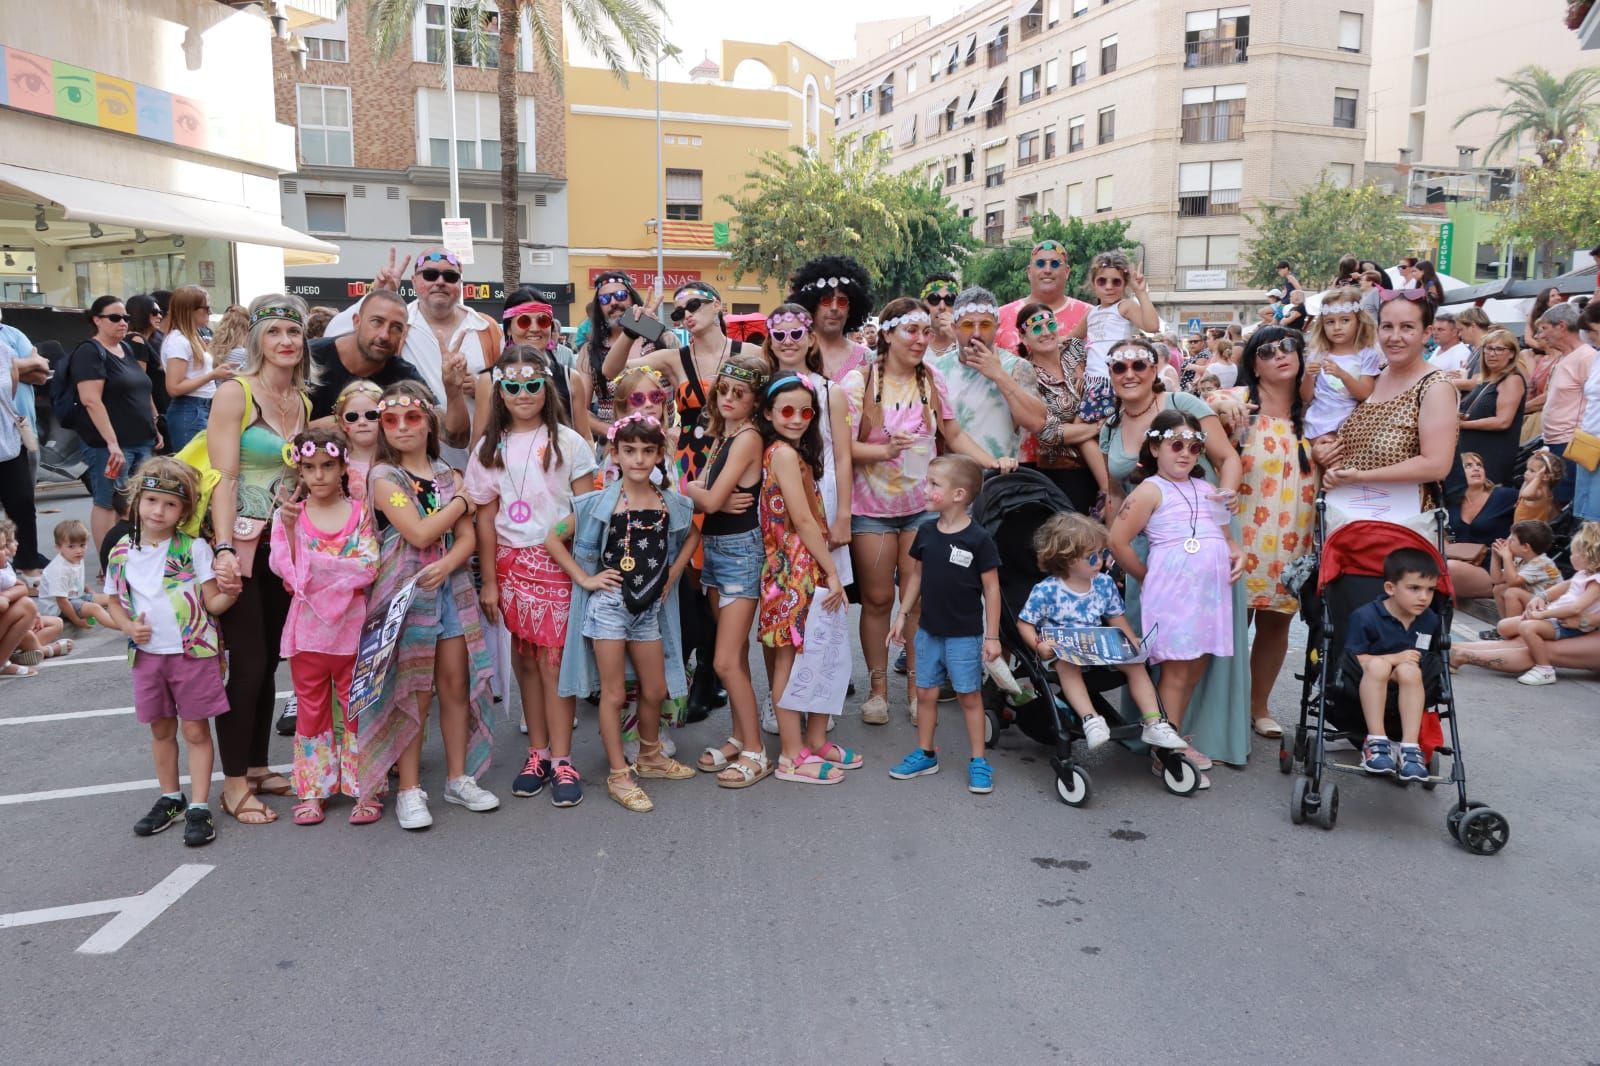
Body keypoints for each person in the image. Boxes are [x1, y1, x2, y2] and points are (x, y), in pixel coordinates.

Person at [843, 298, 1017, 725]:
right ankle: (878, 690)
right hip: (872, 509)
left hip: (923, 508)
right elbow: (843, 447)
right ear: (887, 334)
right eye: (911, 331)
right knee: (879, 599)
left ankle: (919, 692)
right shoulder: (858, 381)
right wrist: (883, 450)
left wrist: (990, 461)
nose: (922, 339)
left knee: (919, 601)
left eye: (925, 331)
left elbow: (953, 431)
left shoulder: (931, 378)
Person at [1098, 337, 1248, 773]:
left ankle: (1179, 735)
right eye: (1119, 366)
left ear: (1154, 367)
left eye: (1139, 364)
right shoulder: (1132, 458)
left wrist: (1233, 542)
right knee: (1173, 667)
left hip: (1206, 579)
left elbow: (1226, 471)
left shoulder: (1184, 411)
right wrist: (1142, 574)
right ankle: (1167, 744)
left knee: (1197, 662)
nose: (1130, 373)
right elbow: (1115, 510)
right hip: (1162, 566)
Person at [360, 382, 499, 829]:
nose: (402, 427)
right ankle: (409, 788)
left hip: (450, 590)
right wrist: (460, 500)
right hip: (405, 594)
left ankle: (458, 778)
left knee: (455, 685)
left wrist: (450, 563)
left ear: (428, 423)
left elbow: (468, 537)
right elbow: (419, 533)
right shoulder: (384, 477)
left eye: (412, 418)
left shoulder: (446, 471)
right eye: (391, 420)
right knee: (414, 692)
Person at [606, 280, 748, 717]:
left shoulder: (750, 354)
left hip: (733, 465)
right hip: (686, 472)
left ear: (718, 305)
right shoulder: (673, 357)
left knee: (721, 583)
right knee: (688, 579)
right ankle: (694, 671)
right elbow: (617, 374)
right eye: (679, 310)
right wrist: (634, 326)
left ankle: (711, 672)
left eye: (695, 305)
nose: (687, 314)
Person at [548, 413, 700, 811]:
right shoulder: (600, 502)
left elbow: (691, 535)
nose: (638, 459)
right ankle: (619, 774)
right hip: (610, 609)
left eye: (647, 451)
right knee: (614, 693)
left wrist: (674, 573)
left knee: (655, 689)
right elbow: (553, 538)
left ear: (658, 454)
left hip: (648, 609)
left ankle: (649, 755)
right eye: (629, 450)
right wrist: (585, 578)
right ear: (614, 453)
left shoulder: (669, 501)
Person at [468, 345, 598, 802]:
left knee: (554, 662)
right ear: (500, 391)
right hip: (508, 562)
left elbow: (588, 507)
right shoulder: (488, 448)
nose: (523, 394)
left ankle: (563, 760)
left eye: (532, 385)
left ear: (546, 388)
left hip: (557, 562)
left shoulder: (570, 442)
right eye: (512, 386)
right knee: (524, 660)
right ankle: (537, 752)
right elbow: (484, 518)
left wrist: (559, 542)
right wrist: (488, 579)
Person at [206, 295, 312, 826]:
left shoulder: (303, 401)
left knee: (269, 660)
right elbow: (222, 477)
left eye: (293, 332)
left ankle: (254, 765)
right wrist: (224, 548)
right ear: (257, 340)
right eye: (274, 333)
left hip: (285, 548)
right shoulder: (235, 392)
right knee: (246, 664)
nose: (286, 341)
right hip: (243, 543)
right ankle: (231, 785)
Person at [105, 458, 236, 845]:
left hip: (192, 651)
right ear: (137, 501)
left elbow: (211, 602)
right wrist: (128, 626)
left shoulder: (194, 549)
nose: (158, 511)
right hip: (147, 655)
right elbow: (113, 601)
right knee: (160, 728)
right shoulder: (121, 552)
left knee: (195, 729)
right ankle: (170, 797)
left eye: (170, 504)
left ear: (184, 511)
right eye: (151, 501)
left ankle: (198, 805)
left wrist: (231, 592)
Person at [268, 428, 380, 826]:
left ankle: (363, 787)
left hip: (352, 631)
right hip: (308, 633)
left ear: (342, 466)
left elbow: (368, 566)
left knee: (357, 709)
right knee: (311, 713)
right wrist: (298, 536)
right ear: (298, 470)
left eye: (327, 466)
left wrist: (319, 569)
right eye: (310, 467)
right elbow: (289, 572)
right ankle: (313, 789)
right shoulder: (289, 518)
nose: (319, 475)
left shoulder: (359, 512)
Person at [1014, 512, 1187, 752]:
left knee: (1136, 664)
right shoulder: (1046, 591)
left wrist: (1129, 639)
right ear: (1067, 559)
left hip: (1097, 644)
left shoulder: (1103, 584)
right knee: (1067, 666)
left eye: (1103, 554)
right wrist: (1038, 645)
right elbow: (1024, 623)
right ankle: (1091, 720)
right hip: (1062, 650)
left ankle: (1154, 722)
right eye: (1091, 557)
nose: (1100, 561)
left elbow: (1115, 616)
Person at [755, 376, 852, 783]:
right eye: (787, 411)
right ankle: (791, 755)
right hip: (793, 569)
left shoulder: (793, 452)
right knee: (790, 658)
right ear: (769, 414)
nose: (797, 419)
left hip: (803, 565)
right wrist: (831, 570)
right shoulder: (780, 453)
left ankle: (811, 742)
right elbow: (803, 520)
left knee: (817, 652)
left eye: (805, 412)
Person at [886, 455, 1003, 794]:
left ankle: (978, 760)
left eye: (934, 484)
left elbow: (992, 589)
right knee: (925, 692)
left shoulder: (978, 539)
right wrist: (902, 614)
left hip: (965, 635)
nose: (926, 488)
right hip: (927, 632)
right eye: (928, 481)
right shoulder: (925, 532)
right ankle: (925, 753)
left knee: (968, 695)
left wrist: (992, 636)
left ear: (959, 494)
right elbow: (916, 576)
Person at [325, 248, 504, 463]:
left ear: (459, 283)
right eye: (429, 275)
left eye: (450, 276)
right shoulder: (397, 323)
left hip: (479, 456)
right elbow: (336, 335)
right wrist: (374, 295)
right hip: (409, 460)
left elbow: (508, 389)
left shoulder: (487, 328)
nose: (440, 282)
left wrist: (481, 389)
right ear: (414, 280)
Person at [684, 352, 772, 786]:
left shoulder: (748, 438)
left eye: (740, 393)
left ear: (756, 400)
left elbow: (712, 499)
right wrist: (700, 492)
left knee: (724, 661)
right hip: (717, 550)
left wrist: (691, 491)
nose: (729, 398)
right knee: (732, 656)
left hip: (739, 552)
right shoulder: (725, 436)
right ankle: (740, 735)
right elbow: (707, 493)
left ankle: (756, 750)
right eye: (723, 390)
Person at [1229, 327, 1315, 739]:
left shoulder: (1318, 411)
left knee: (1277, 623)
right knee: (1233, 620)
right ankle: (1223, 706)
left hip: (1296, 535)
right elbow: (1209, 402)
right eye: (1267, 350)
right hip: (1242, 534)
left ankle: (1257, 706)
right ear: (1254, 364)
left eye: (1288, 347)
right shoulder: (1239, 406)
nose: (1280, 354)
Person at [1316, 293, 1460, 516]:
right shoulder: (1375, 377)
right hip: (1350, 518)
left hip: (1402, 525)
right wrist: (1325, 448)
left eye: (1407, 327)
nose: (1394, 337)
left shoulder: (1435, 386)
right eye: (1387, 327)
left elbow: (1437, 465)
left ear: (1426, 333)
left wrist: (1360, 477)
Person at [71, 296, 161, 550]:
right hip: (109, 444)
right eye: (114, 318)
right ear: (96, 320)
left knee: (138, 498)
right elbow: (91, 400)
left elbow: (142, 389)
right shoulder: (90, 352)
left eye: (125, 318)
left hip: (141, 439)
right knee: (108, 501)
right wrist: (112, 444)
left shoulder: (128, 349)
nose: (122, 323)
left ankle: (134, 551)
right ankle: (107, 559)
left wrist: (154, 424)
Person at [1462, 522, 1600, 686]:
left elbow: (1576, 607)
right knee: (1505, 625)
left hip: (1563, 620)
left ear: (1587, 556)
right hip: (1558, 614)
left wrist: (1543, 614)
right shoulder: (1582, 574)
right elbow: (1560, 588)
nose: (1570, 557)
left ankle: (1545, 669)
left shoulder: (1593, 581)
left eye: (1574, 553)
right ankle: (1453, 649)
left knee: (1528, 636)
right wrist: (1541, 598)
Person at [1346, 547, 1442, 781]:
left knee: (1410, 669)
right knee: (1379, 665)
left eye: (1430, 590)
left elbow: (1426, 657)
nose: (1424, 597)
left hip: (1409, 680)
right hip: (1367, 678)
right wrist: (1393, 659)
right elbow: (1355, 659)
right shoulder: (1366, 616)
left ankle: (1410, 745)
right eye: (1414, 588)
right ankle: (1376, 739)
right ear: (1390, 588)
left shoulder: (1429, 620)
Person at [928, 286, 1047, 461]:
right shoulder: (937, 370)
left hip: (1000, 479)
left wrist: (999, 375)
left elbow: (1036, 423)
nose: (976, 333)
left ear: (997, 327)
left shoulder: (1015, 367)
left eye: (985, 325)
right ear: (954, 328)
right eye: (968, 325)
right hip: (953, 480)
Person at [1015, 303, 1108, 512]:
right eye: (1037, 329)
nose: (1046, 332)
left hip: (1109, 457)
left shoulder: (1075, 350)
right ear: (1023, 337)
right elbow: (1048, 432)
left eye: (1050, 324)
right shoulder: (1025, 372)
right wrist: (1096, 428)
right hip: (1065, 472)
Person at [1069, 251, 1159, 423]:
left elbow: (1152, 326)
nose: (1109, 286)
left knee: (1096, 428)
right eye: (1102, 281)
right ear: (1093, 284)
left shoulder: (1124, 306)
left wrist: (1140, 292)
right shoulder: (1091, 313)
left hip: (1115, 380)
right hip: (1092, 384)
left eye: (1116, 281)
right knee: (1090, 429)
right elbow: (1070, 338)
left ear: (1124, 284)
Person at [306, 289, 421, 419]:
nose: (384, 335)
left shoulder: (404, 374)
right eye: (377, 322)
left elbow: (434, 418)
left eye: (396, 328)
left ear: (403, 334)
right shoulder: (309, 356)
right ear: (356, 322)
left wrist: (449, 391)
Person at [499, 289, 593, 442]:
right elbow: (481, 443)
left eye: (543, 321)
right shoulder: (490, 379)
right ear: (509, 328)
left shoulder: (570, 379)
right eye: (524, 321)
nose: (535, 328)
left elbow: (584, 436)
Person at [1446, 329, 1527, 500]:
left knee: (1485, 502)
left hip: (1492, 455)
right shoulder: (1486, 379)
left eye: (1499, 349)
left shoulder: (1512, 379)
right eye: (1488, 349)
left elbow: (1503, 421)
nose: (1492, 354)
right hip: (1471, 452)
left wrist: (1463, 424)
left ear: (1512, 354)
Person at [1533, 302, 1597, 505]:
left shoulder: (1586, 357)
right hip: (1555, 442)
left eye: (1544, 329)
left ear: (1561, 326)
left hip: (1572, 443)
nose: (1540, 336)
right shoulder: (1564, 357)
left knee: (1568, 502)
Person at [0, 320, 50, 574]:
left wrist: (24, 365)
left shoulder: (7, 344)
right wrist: (29, 362)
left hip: (9, 440)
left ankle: (28, 564)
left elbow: (40, 374)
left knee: (22, 502)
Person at [1302, 288, 1380, 444]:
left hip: (1351, 426)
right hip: (1317, 423)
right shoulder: (1318, 355)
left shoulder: (1367, 354)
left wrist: (1342, 375)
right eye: (1330, 322)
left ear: (1358, 321)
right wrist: (1309, 376)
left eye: (1345, 320)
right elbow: (1305, 397)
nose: (1337, 327)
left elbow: (1365, 394)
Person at [785, 255, 876, 383]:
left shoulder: (866, 357)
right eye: (826, 301)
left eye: (842, 301)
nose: (834, 308)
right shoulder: (792, 351)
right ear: (812, 305)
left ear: (851, 309)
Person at [1443, 452, 1518, 602]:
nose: (1476, 469)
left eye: (1479, 465)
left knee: (1448, 568)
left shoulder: (1504, 495)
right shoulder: (1451, 503)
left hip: (1493, 567)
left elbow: (1535, 507)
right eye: (1468, 466)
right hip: (1461, 561)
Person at [581, 270, 649, 435]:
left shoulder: (662, 340)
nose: (613, 303)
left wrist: (676, 429)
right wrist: (616, 433)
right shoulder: (590, 351)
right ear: (599, 307)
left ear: (632, 298)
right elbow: (579, 410)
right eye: (605, 299)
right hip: (612, 449)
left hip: (661, 447)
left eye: (620, 295)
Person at [160, 285, 227, 451]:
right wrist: (212, 375)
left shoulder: (189, 338)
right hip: (190, 410)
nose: (210, 312)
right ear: (190, 310)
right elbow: (174, 387)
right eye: (206, 308)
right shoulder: (179, 341)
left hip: (199, 408)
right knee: (192, 469)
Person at [997, 240, 1094, 354]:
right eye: (1040, 264)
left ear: (1067, 272)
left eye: (1055, 264)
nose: (1047, 270)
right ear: (1029, 272)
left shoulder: (1092, 316)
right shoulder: (999, 318)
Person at [1485, 519, 1563, 628]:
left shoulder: (1541, 563)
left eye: (1512, 539)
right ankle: (1505, 626)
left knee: (1512, 592)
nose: (1507, 542)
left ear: (1525, 547)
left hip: (1548, 607)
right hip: (1534, 601)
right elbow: (1496, 580)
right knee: (1499, 588)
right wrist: (1495, 556)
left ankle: (1513, 630)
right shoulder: (1520, 559)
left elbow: (1512, 582)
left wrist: (1507, 557)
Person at [37, 519, 111, 631]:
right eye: (71, 546)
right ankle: (121, 626)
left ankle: (133, 616)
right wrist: (77, 620)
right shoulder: (59, 570)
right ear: (58, 547)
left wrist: (89, 590)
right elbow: (62, 601)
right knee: (95, 609)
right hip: (57, 608)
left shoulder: (75, 558)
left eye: (82, 545)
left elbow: (76, 579)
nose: (78, 551)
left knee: (111, 598)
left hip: (75, 596)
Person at [125, 293, 170, 443]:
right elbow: (141, 384)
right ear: (141, 314)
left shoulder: (151, 339)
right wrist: (154, 418)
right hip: (152, 410)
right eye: (154, 312)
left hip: (160, 406)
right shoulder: (136, 340)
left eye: (161, 312)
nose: (159, 316)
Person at [332, 379, 383, 501]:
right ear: (342, 423)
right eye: (352, 417)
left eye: (371, 415)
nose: (362, 422)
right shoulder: (336, 464)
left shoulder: (397, 459)